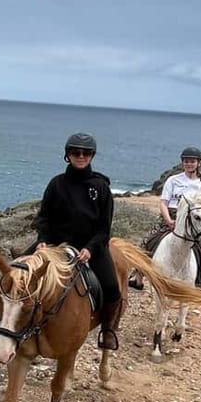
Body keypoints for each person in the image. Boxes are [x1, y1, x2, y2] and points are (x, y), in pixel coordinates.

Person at [26, 132, 122, 350]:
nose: (81, 156)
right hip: (55, 245)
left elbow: (104, 229)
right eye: (76, 152)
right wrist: (42, 240)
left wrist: (90, 248)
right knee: (17, 272)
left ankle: (107, 330)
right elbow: (44, 218)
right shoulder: (56, 184)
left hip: (90, 247)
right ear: (67, 155)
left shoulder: (101, 187)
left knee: (112, 288)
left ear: (92, 156)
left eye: (86, 153)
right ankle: (11, 327)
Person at [128, 146, 201, 290]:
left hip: (192, 219)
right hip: (171, 214)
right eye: (186, 161)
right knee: (148, 240)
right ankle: (138, 276)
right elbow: (163, 202)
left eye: (192, 161)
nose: (189, 164)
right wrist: (168, 220)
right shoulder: (173, 180)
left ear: (199, 163)